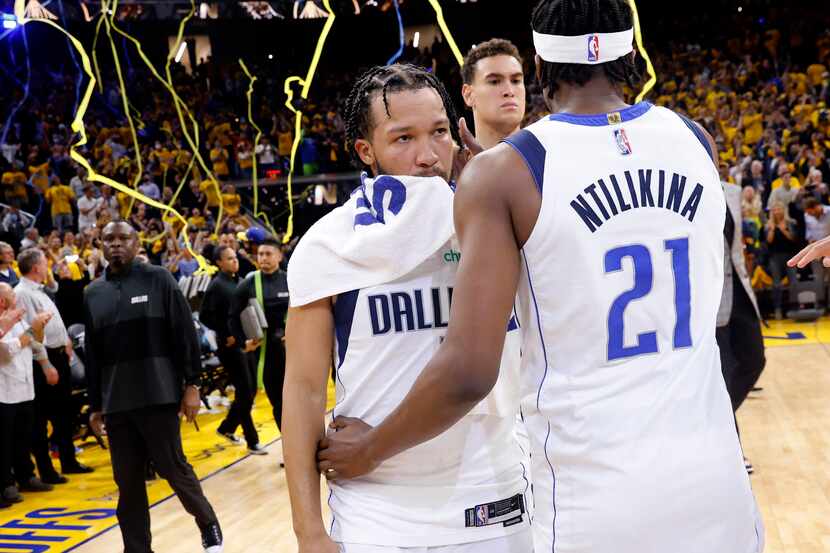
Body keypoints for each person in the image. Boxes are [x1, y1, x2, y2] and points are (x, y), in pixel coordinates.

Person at [316, 2, 764, 552]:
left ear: (539, 64)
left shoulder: (508, 170)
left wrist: (370, 448)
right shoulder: (695, 139)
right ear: (628, 53)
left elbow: (467, 373)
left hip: (596, 497)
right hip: (714, 480)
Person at [284, 63, 531, 553]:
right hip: (377, 508)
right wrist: (308, 531)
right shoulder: (328, 244)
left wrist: (501, 188)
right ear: (365, 151)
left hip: (494, 493)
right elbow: (306, 391)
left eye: (440, 132)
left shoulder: (503, 221)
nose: (427, 156)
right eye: (403, 139)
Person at [83, 221, 223, 553]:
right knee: (128, 484)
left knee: (173, 467)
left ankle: (207, 523)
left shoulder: (158, 278)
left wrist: (193, 384)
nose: (116, 244)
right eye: (109, 239)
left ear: (136, 242)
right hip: (117, 401)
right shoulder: (93, 293)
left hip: (159, 393)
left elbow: (184, 332)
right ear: (101, 245)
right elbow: (93, 355)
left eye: (123, 238)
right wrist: (94, 404)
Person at [15, 248, 93, 482]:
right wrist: (47, 364)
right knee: (43, 416)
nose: (47, 266)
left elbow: (53, 322)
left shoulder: (39, 290)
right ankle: (47, 470)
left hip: (59, 353)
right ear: (36, 267)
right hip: (43, 359)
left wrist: (66, 340)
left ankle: (69, 461)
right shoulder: (22, 293)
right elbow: (33, 331)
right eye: (44, 263)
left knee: (64, 412)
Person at [199, 245, 266, 455]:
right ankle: (251, 439)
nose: (234, 261)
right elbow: (204, 316)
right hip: (230, 346)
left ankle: (228, 427)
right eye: (229, 258)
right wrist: (225, 334)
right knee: (245, 393)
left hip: (246, 341)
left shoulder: (239, 281)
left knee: (250, 391)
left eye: (234, 257)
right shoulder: (216, 286)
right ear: (218, 262)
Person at [717, 181, 765, 474]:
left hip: (737, 286)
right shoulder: (682, 184)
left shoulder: (732, 192)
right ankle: (731, 448)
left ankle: (712, 419)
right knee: (720, 375)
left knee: (754, 360)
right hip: (706, 295)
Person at [0, 283, 55, 506]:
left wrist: (39, 326)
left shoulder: (17, 317)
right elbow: (6, 352)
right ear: (2, 301)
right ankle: (6, 483)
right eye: (11, 293)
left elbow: (35, 341)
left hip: (25, 386)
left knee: (25, 436)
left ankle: (26, 476)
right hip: (4, 391)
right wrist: (30, 330)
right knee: (4, 442)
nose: (16, 295)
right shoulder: (5, 321)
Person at [230, 237, 288, 434]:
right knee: (279, 405)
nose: (263, 258)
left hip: (294, 352)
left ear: (279, 256)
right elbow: (232, 317)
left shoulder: (291, 280)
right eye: (260, 254)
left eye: (268, 254)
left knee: (300, 403)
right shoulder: (248, 283)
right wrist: (243, 341)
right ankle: (291, 449)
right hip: (267, 354)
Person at [461, 38, 526, 149]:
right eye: (494, 82)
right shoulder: (453, 165)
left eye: (516, 81)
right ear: (469, 95)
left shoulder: (552, 158)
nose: (509, 91)